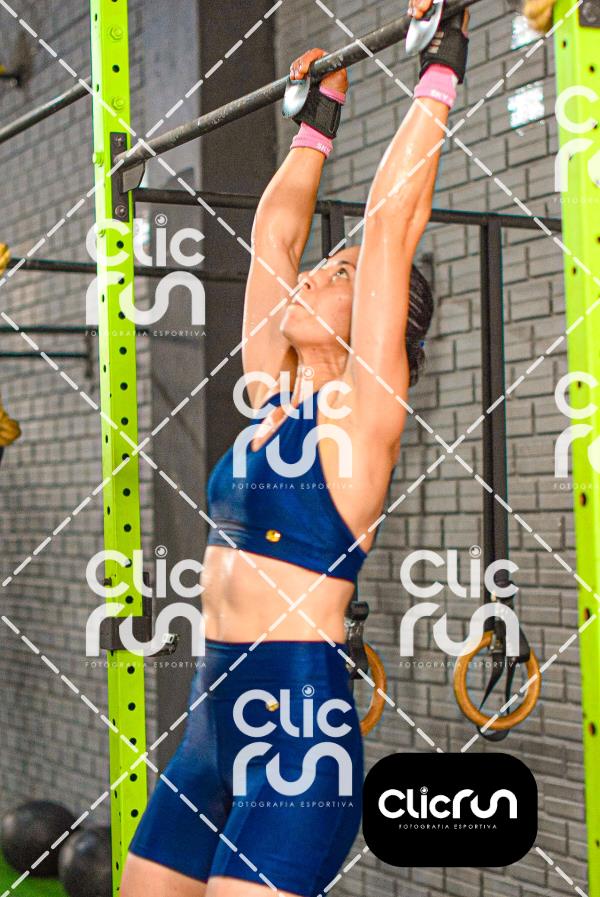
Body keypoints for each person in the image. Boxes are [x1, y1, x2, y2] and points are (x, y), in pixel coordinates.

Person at [122, 2, 469, 895]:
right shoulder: (270, 394)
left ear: (382, 320)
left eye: (340, 272)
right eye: (323, 265)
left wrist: (441, 58)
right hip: (210, 729)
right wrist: (319, 118)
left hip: (298, 742)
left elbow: (392, 224)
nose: (315, 271)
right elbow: (274, 235)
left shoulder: (362, 420)